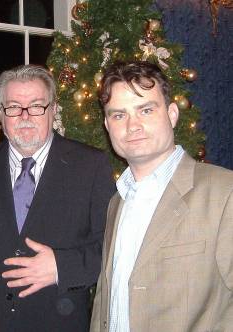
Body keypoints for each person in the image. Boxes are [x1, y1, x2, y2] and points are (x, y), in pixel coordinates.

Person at [0, 64, 115, 332]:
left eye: (37, 106)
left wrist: (61, 267)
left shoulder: (91, 166)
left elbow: (111, 248)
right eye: (13, 107)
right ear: (1, 114)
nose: (25, 116)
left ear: (53, 110)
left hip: (59, 322)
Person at [90, 61, 233, 332]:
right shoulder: (117, 201)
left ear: (172, 114)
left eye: (145, 110)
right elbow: (105, 302)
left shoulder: (224, 193)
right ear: (107, 125)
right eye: (119, 115)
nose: (132, 125)